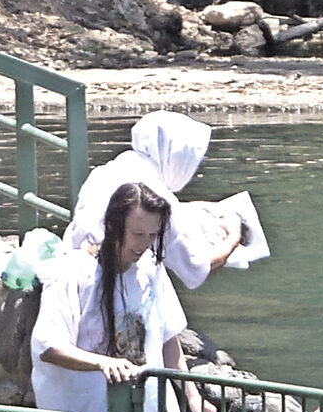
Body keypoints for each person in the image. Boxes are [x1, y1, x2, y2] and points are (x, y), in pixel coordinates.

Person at [30, 183, 218, 412]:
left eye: (153, 235)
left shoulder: (151, 269)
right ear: (112, 227)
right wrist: (102, 362)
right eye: (137, 235)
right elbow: (49, 346)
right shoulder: (73, 273)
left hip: (148, 411)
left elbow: (167, 339)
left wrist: (192, 396)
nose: (144, 244)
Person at [64, 110, 267, 289]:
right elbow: (199, 268)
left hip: (75, 266)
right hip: (109, 283)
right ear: (176, 156)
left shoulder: (109, 169)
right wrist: (234, 236)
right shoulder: (160, 195)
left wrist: (195, 207)